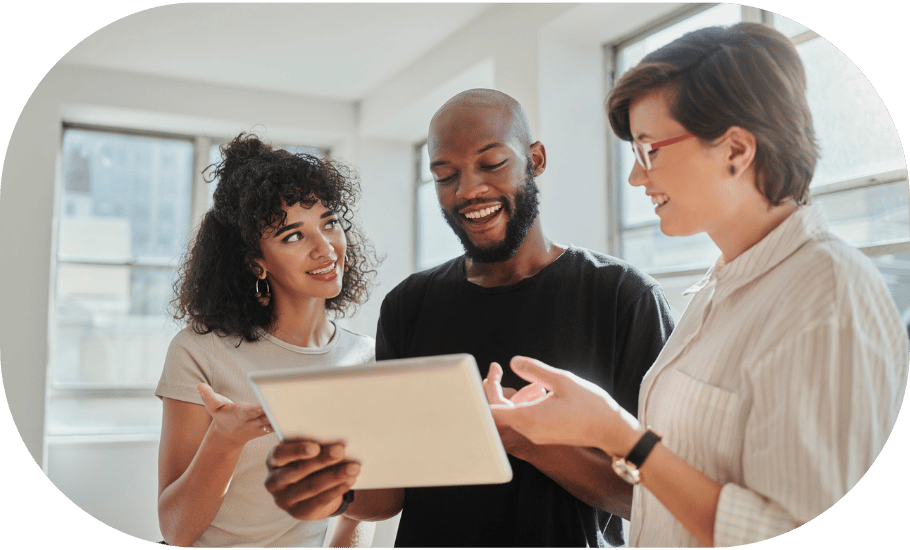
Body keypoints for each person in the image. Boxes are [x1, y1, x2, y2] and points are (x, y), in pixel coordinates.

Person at [489, 23, 909, 548]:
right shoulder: (720, 288)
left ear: (735, 149)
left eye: (649, 150)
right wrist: (594, 425)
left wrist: (618, 434)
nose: (637, 179)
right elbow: (682, 488)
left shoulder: (828, 297)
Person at [263, 89, 675, 547]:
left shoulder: (621, 297)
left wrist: (523, 439)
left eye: (492, 163)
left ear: (535, 160)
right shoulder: (409, 305)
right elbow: (391, 494)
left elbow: (658, 498)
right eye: (445, 175)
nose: (468, 190)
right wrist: (330, 493)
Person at [155, 133, 380, 548]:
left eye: (329, 223)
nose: (326, 248)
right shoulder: (199, 352)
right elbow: (175, 529)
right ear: (254, 261)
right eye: (293, 235)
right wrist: (225, 440)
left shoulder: (363, 356)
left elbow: (356, 509)